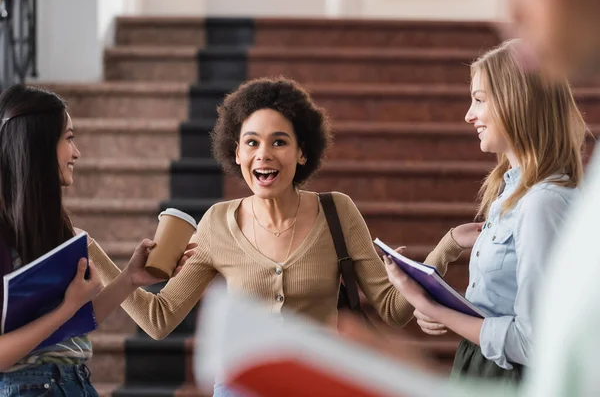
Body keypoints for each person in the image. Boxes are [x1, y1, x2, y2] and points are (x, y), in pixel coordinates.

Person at [86, 77, 456, 397]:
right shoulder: (217, 222)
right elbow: (159, 319)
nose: (264, 155)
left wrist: (446, 248)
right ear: (236, 151)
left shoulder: (337, 211)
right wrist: (93, 250)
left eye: (279, 142)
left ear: (301, 152)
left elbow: (393, 310)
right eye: (251, 142)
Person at [383, 39, 587, 383]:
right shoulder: (510, 192)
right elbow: (501, 308)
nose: (468, 114)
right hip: (481, 368)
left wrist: (435, 310)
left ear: (516, 104)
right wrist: (444, 307)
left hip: (508, 379)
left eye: (479, 100)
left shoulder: (542, 203)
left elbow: (532, 342)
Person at [0, 84, 191, 396]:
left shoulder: (58, 229)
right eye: (69, 138)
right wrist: (65, 308)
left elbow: (70, 328)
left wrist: (130, 278)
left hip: (75, 383)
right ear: (40, 144)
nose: (77, 152)